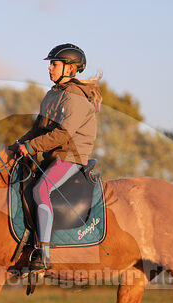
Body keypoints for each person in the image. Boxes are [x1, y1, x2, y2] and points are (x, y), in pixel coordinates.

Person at [12, 43, 102, 271]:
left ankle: (43, 253)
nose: (50, 68)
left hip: (70, 157)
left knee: (40, 191)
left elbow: (63, 134)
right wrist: (19, 145)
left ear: (70, 68)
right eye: (51, 64)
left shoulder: (75, 98)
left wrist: (31, 147)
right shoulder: (53, 95)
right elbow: (37, 129)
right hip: (53, 157)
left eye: (54, 64)